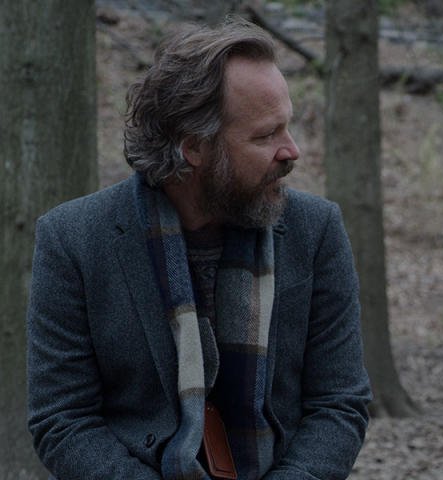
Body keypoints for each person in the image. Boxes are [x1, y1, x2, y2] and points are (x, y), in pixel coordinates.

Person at [26, 18, 371, 480]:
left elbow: (339, 403)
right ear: (194, 147)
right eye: (266, 135)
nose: (292, 151)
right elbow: (62, 420)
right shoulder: (73, 240)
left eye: (286, 128)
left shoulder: (317, 230)